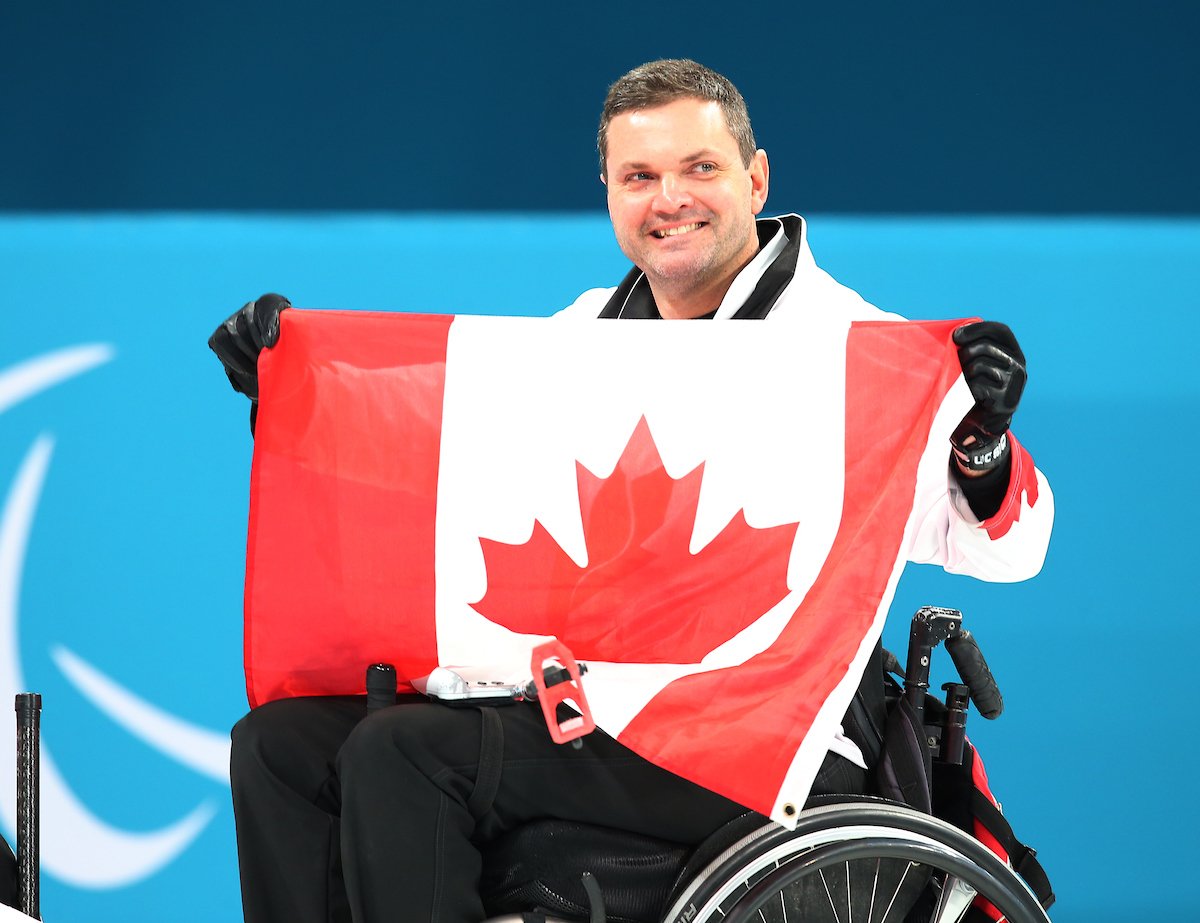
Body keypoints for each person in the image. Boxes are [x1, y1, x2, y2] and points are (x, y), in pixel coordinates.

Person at [210, 59, 1052, 923]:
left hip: (762, 731)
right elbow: (430, 477)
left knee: (404, 752)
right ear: (609, 195)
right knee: (278, 747)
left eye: (700, 168)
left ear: (756, 179)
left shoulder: (850, 348)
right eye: (640, 176)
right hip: (590, 703)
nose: (669, 198)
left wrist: (982, 445)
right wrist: (293, 393)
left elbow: (1011, 548)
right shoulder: (581, 337)